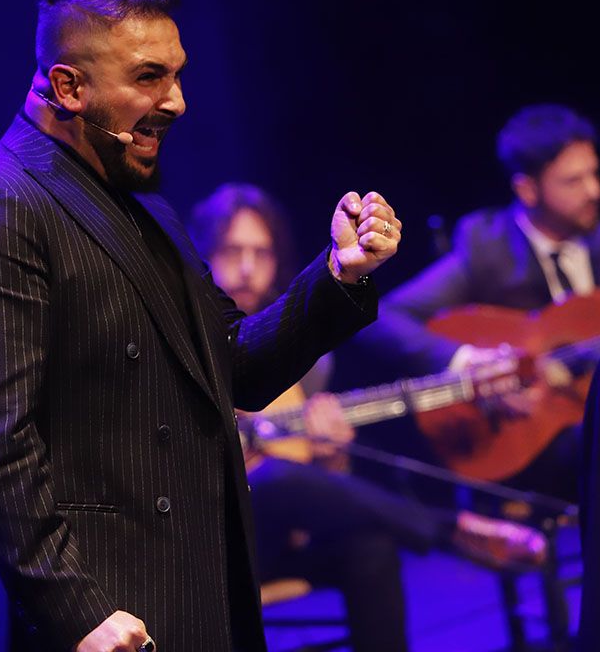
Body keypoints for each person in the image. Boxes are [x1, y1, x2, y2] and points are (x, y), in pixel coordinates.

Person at [0, 0, 401, 652]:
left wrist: (338, 276)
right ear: (68, 87)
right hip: (97, 612)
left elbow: (233, 366)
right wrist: (76, 609)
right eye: (149, 78)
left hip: (184, 587)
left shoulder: (142, 200)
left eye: (177, 75)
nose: (175, 101)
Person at [189, 183, 453, 652]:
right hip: (208, 547)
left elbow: (319, 489)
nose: (248, 268)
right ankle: (448, 528)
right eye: (232, 251)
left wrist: (332, 456)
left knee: (370, 548)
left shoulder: (302, 359)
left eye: (262, 253)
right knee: (272, 479)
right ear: (204, 257)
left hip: (280, 538)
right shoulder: (186, 342)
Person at [356, 104, 600, 502]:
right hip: (527, 442)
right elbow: (381, 318)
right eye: (573, 181)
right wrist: (470, 362)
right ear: (527, 189)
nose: (595, 191)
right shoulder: (487, 247)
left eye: (594, 173)